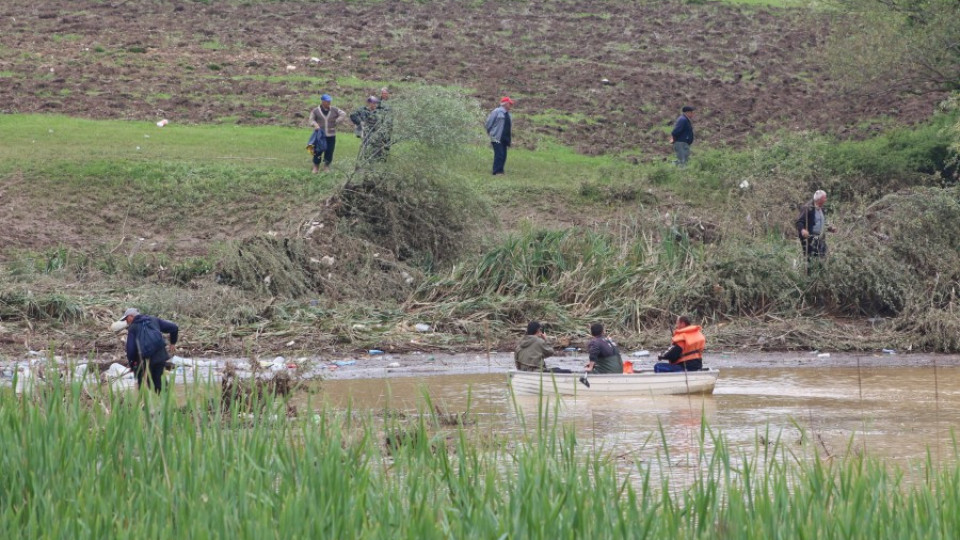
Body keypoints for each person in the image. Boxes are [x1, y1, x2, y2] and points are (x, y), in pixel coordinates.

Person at [119, 308, 179, 393]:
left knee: (144, 385)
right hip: (160, 356)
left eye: (126, 318)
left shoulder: (133, 328)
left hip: (144, 360)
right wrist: (173, 342)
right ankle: (167, 402)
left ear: (131, 316)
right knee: (160, 382)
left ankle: (146, 404)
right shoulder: (153, 319)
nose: (126, 321)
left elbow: (131, 349)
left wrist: (132, 364)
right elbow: (174, 327)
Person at [795, 190, 836, 273]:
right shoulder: (808, 208)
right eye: (824, 198)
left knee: (823, 256)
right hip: (809, 239)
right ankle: (808, 277)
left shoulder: (822, 209)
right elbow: (799, 222)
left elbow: (821, 223)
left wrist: (830, 228)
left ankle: (820, 275)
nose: (826, 200)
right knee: (809, 258)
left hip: (820, 238)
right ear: (819, 199)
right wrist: (803, 230)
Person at [308, 94, 348, 173]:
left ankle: (326, 166)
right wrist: (315, 124)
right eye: (327, 101)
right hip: (320, 135)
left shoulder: (334, 109)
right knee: (318, 151)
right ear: (323, 101)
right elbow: (311, 120)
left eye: (330, 101)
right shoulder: (316, 110)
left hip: (331, 135)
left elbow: (343, 114)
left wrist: (337, 121)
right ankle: (316, 166)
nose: (329, 103)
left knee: (329, 151)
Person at [350, 96, 390, 163]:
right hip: (366, 133)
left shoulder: (379, 112)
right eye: (373, 103)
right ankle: (366, 164)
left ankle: (376, 164)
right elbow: (352, 115)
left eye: (376, 103)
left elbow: (385, 122)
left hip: (377, 134)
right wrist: (360, 122)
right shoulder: (363, 110)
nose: (374, 105)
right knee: (367, 149)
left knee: (377, 150)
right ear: (369, 103)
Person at [485, 96, 514, 175]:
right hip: (496, 136)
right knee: (499, 154)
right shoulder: (496, 111)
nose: (511, 105)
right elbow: (488, 123)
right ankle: (496, 171)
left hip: (505, 137)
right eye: (509, 104)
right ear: (505, 104)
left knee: (504, 155)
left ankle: (501, 170)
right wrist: (491, 132)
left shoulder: (509, 114)